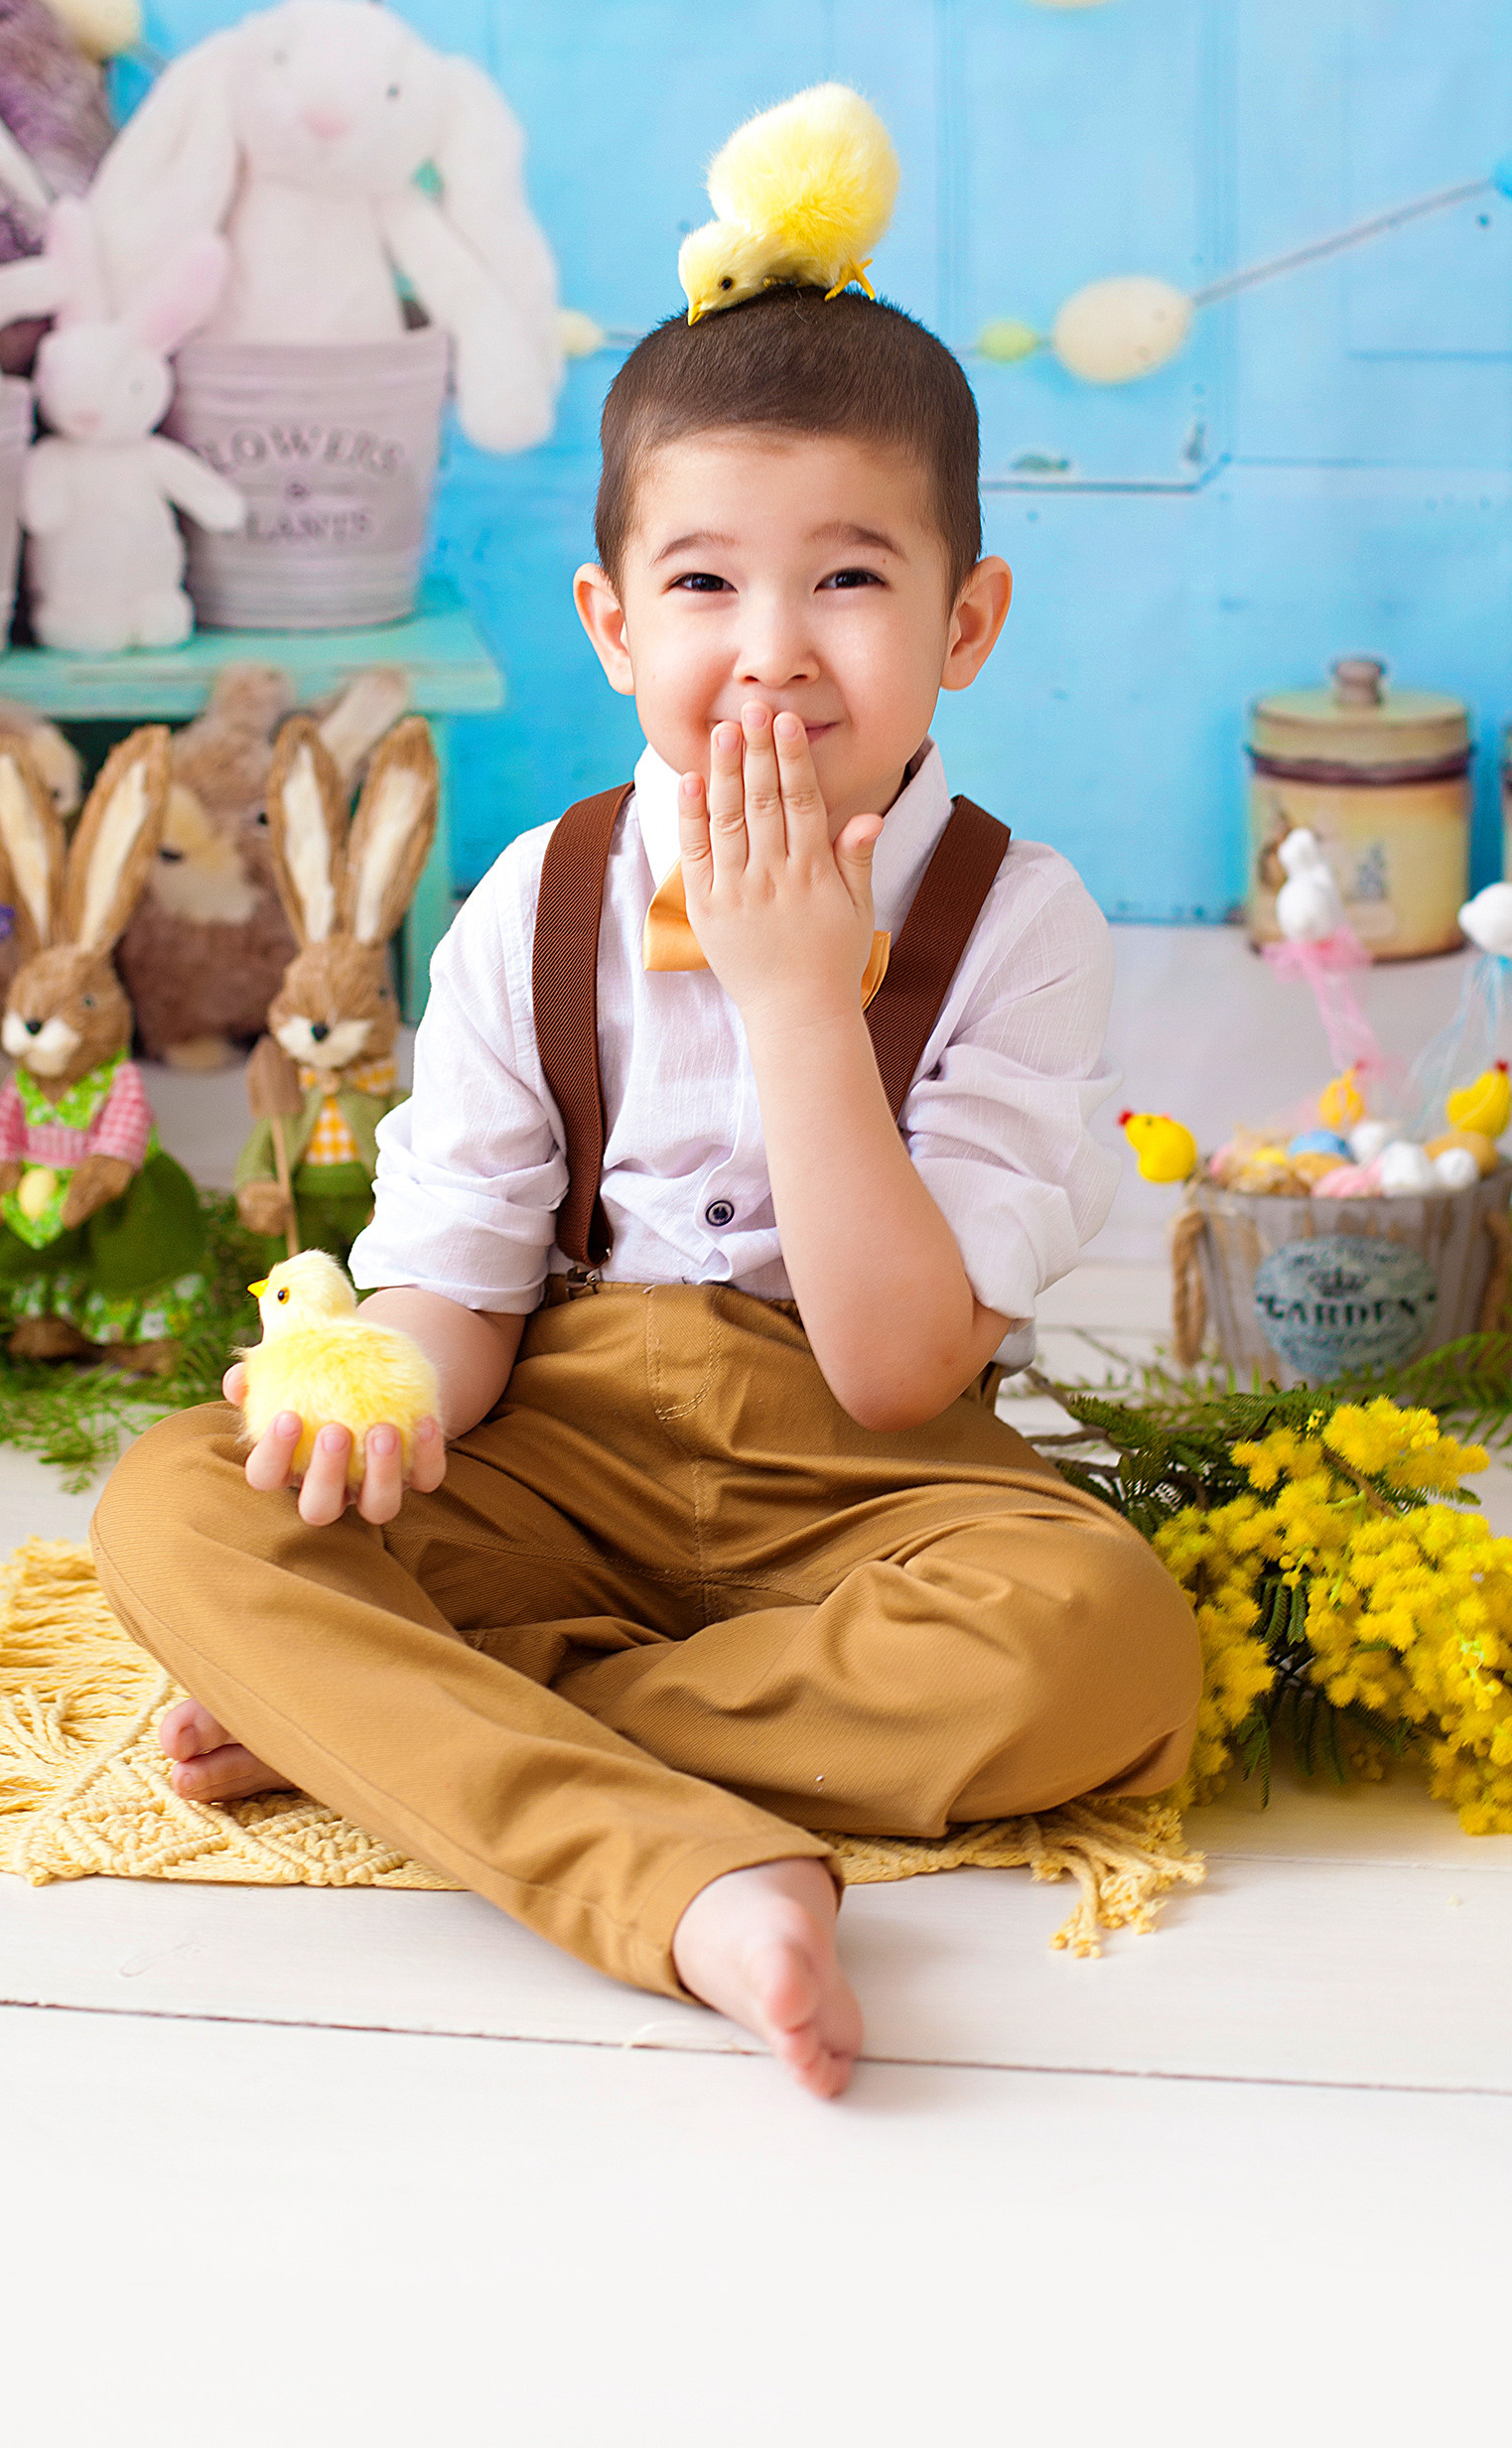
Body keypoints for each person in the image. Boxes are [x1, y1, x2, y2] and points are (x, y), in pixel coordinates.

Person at [91, 285, 1201, 2100]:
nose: (770, 652)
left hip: (864, 1481)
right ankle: (689, 1874)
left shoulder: (1025, 920)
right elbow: (455, 1287)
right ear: (611, 623)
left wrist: (791, 997)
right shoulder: (538, 894)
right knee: (176, 1506)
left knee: (1106, 1647)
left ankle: (395, 1718)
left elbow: (901, 1368)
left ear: (964, 623)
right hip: (560, 1436)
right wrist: (364, 1408)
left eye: (848, 580)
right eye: (703, 585)